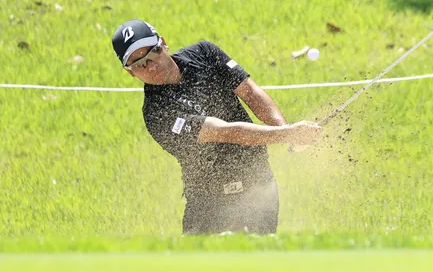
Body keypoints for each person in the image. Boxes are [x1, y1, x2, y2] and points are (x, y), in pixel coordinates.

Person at [111, 19, 323, 235]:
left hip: (259, 188)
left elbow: (250, 93)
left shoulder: (204, 54)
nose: (150, 66)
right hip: (209, 206)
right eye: (138, 64)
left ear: (163, 44)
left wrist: (284, 127)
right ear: (130, 72)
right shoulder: (156, 113)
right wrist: (286, 134)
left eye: (151, 54)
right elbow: (224, 132)